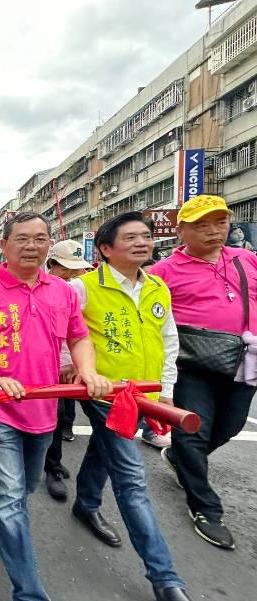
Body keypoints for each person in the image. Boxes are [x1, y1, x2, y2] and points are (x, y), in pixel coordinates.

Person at [0, 211, 111, 601]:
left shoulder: (62, 290)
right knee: (10, 498)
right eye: (22, 239)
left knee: (24, 487)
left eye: (40, 239)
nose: (31, 246)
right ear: (4, 245)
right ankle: (29, 592)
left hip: (45, 410)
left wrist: (87, 370)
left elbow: (79, 338)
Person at [70, 212, 190, 601]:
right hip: (106, 397)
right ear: (106, 249)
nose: (142, 243)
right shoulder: (83, 288)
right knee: (131, 479)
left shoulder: (158, 287)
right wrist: (77, 370)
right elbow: (66, 335)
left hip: (147, 396)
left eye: (146, 236)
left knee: (102, 451)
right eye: (131, 238)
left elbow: (167, 342)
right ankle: (166, 578)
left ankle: (86, 503)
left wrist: (166, 393)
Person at [150, 195, 257, 550]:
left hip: (245, 361)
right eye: (202, 225)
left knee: (231, 426)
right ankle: (206, 508)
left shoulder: (246, 260)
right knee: (193, 431)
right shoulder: (164, 271)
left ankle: (179, 458)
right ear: (181, 231)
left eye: (220, 222)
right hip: (193, 363)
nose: (213, 231)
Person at [42, 240, 92, 501]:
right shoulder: (47, 289)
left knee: (60, 416)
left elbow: (76, 333)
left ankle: (53, 464)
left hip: (67, 365)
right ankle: (46, 464)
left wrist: (75, 363)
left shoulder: (70, 290)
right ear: (53, 265)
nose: (73, 274)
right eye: (65, 268)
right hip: (41, 366)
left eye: (75, 269)